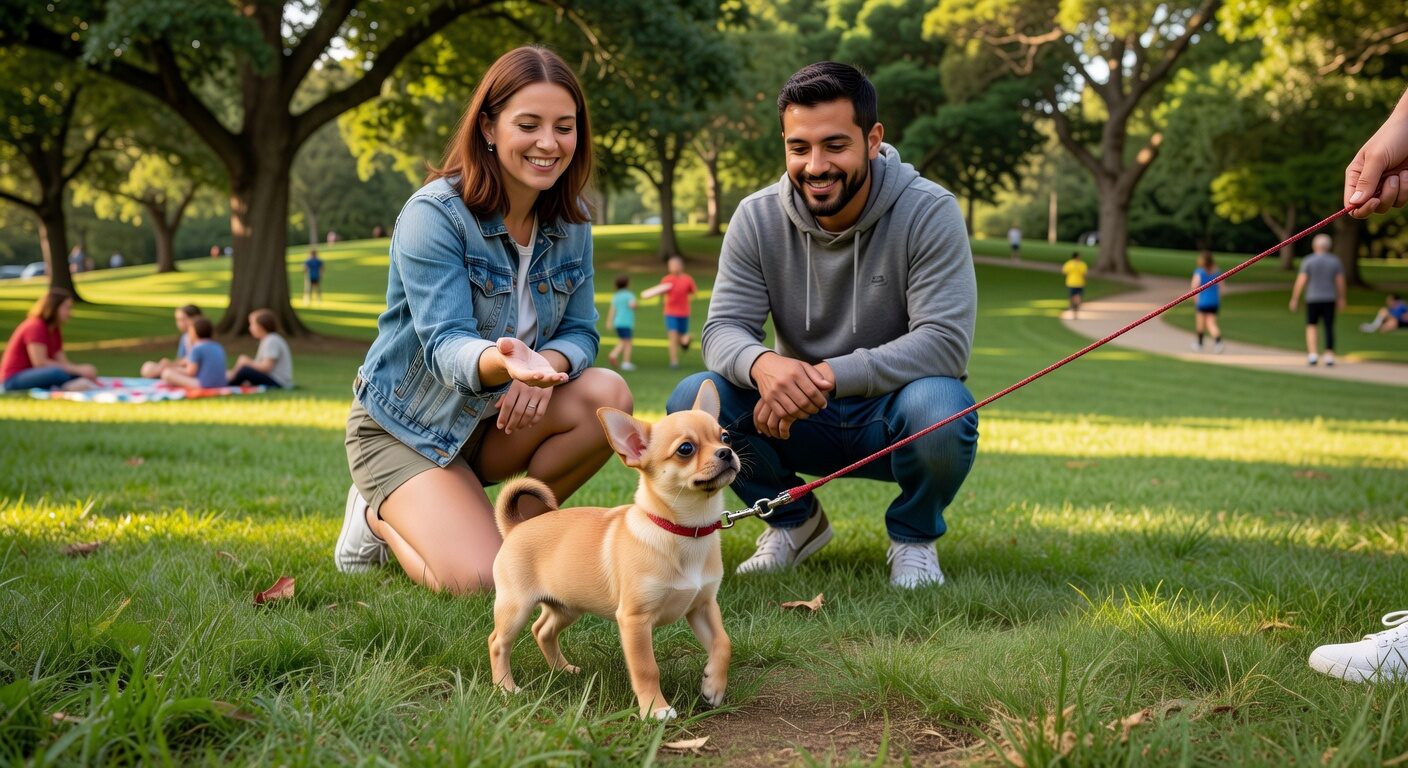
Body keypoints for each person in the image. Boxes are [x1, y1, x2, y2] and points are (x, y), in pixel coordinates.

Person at [667, 62, 978, 590]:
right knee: (690, 400)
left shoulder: (929, 210)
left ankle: (914, 538)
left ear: (873, 139)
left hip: (893, 413)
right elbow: (722, 330)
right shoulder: (756, 217)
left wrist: (824, 375)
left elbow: (944, 344)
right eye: (799, 148)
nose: (815, 165)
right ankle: (794, 522)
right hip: (794, 419)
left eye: (835, 145)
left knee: (944, 409)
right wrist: (765, 366)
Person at [332, 46, 631, 595]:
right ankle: (376, 516)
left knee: (606, 393)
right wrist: (509, 363)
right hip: (407, 430)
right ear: (489, 127)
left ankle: (507, 530)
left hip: (492, 426)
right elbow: (446, 346)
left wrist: (549, 365)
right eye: (529, 124)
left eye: (564, 127)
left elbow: (583, 332)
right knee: (480, 580)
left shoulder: (572, 223)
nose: (549, 143)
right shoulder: (435, 214)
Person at [1309, 85, 1408, 684]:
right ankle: (1320, 356)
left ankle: (1320, 356)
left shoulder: (1316, 264)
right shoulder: (1325, 262)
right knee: (1319, 334)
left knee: (1318, 333)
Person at [1, 288, 98, 391]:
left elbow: (62, 362)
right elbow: (40, 363)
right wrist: (77, 370)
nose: (70, 313)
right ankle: (65, 387)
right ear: (54, 308)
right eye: (67, 308)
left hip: (39, 374)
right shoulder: (35, 326)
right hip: (13, 378)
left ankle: (68, 384)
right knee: (57, 373)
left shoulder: (54, 330)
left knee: (71, 374)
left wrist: (82, 371)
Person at [1289, 234, 1346, 366]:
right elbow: (1340, 282)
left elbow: (1301, 281)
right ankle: (1329, 355)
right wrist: (1342, 297)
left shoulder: (1308, 260)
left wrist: (1294, 298)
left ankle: (1313, 354)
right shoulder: (1334, 261)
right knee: (1328, 326)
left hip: (1313, 298)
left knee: (1311, 326)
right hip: (1329, 298)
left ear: (1315, 246)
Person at [641, 255, 697, 368]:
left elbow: (693, 293)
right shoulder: (667, 280)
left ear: (681, 266)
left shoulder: (687, 279)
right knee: (672, 336)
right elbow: (660, 293)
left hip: (684, 313)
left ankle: (688, 339)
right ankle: (674, 362)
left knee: (682, 340)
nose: (673, 267)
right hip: (670, 313)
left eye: (675, 265)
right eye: (671, 265)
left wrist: (687, 301)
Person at [227, 309, 295, 389]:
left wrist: (247, 362)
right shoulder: (267, 340)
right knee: (242, 370)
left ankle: (228, 384)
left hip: (278, 381)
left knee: (245, 371)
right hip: (272, 378)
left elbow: (267, 367)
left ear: (261, 326)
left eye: (252, 324)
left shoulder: (272, 340)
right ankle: (230, 379)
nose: (250, 328)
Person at [159, 316, 227, 389]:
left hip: (204, 385)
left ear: (194, 333)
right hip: (221, 383)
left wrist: (173, 368)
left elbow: (190, 372)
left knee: (167, 374)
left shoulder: (197, 348)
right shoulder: (218, 347)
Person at [140, 304, 203, 378]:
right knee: (148, 367)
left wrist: (171, 364)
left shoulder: (201, 337)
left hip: (194, 371)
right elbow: (181, 358)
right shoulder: (185, 337)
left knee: (166, 373)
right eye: (178, 320)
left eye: (183, 320)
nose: (179, 324)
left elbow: (193, 360)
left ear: (196, 318)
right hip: (183, 369)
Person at [1190, 250, 1224, 353]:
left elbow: (1194, 286)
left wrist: (1195, 300)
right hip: (1214, 301)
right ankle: (1218, 342)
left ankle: (1200, 344)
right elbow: (1222, 288)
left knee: (1200, 323)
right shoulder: (1217, 272)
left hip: (1203, 301)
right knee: (1211, 323)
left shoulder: (1199, 272)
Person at [605, 273, 638, 371]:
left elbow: (612, 310)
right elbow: (633, 305)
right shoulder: (629, 295)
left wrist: (609, 322)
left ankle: (614, 355)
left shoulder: (616, 296)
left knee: (623, 341)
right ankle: (625, 362)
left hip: (618, 322)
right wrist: (635, 305)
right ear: (628, 284)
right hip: (626, 323)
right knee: (628, 343)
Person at [1062, 251, 1088, 318]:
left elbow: (1064, 272)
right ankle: (1075, 307)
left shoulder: (1068, 264)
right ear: (1077, 257)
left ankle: (1073, 307)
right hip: (1079, 283)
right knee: (1078, 296)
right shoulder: (1082, 264)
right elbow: (1084, 273)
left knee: (1072, 296)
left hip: (1071, 282)